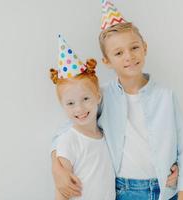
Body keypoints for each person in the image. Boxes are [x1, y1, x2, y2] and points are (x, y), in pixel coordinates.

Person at [51, 2, 183, 200]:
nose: (129, 56)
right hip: (124, 190)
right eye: (118, 53)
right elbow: (67, 130)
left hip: (166, 190)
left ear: (145, 48)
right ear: (107, 61)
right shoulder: (101, 96)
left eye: (134, 47)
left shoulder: (166, 96)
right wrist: (56, 167)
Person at [50, 35, 115, 200]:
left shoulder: (105, 135)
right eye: (70, 103)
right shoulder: (68, 140)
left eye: (86, 99)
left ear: (98, 96)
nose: (79, 108)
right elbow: (61, 191)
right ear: (62, 106)